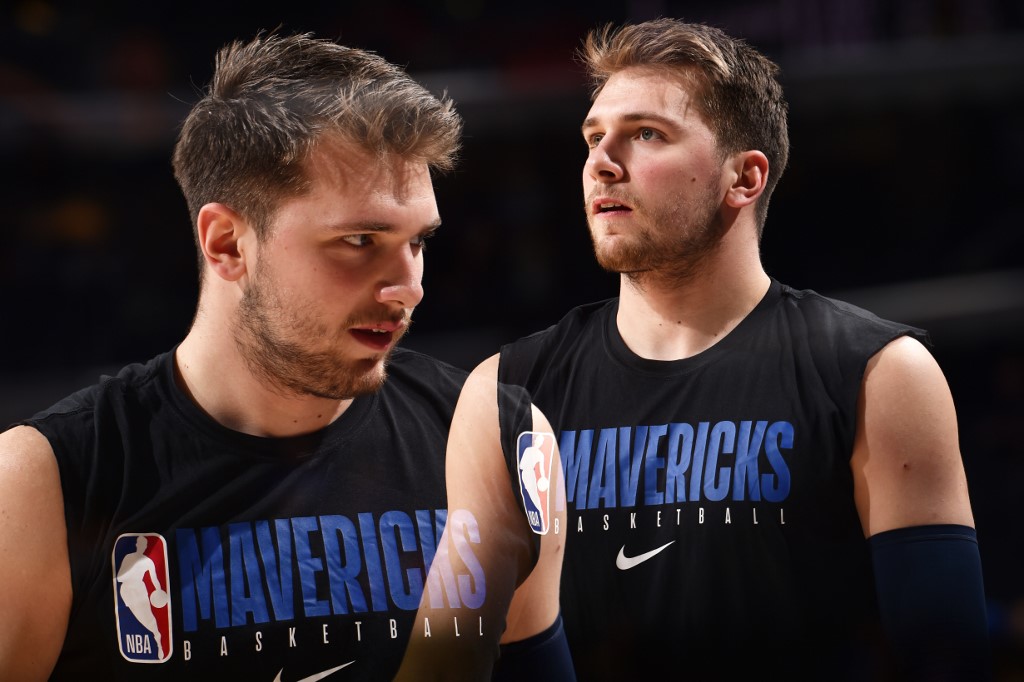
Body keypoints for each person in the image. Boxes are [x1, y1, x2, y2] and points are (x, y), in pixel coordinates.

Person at [0, 33, 572, 681]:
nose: (409, 286)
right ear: (227, 243)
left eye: (418, 242)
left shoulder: (500, 442)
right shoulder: (43, 484)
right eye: (361, 240)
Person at [496, 18, 990, 680]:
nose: (601, 163)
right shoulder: (508, 392)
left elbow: (945, 662)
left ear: (744, 177)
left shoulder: (879, 373)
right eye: (593, 137)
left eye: (646, 134)